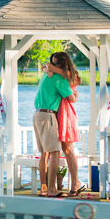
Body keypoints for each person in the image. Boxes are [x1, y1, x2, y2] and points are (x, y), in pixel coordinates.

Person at [33, 52, 74, 197]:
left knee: (44, 154)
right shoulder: (59, 79)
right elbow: (71, 98)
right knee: (55, 152)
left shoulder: (46, 74)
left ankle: (44, 188)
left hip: (37, 114)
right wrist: (76, 95)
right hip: (48, 115)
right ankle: (51, 189)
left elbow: (46, 67)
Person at [45, 52, 85, 196]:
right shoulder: (62, 74)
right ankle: (73, 182)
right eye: (53, 63)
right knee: (62, 148)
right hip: (58, 111)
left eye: (57, 63)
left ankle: (76, 182)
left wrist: (48, 68)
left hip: (66, 113)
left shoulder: (67, 73)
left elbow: (47, 66)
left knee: (68, 149)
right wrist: (47, 70)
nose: (54, 65)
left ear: (63, 63)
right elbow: (46, 67)